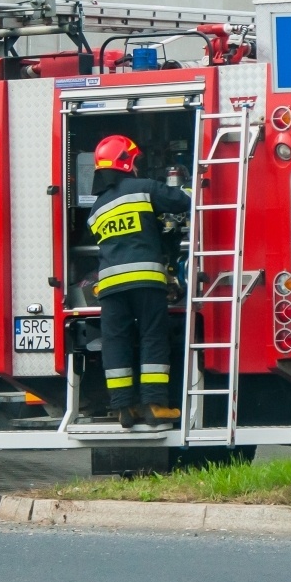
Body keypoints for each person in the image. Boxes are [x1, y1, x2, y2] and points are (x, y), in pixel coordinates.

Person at [88, 134, 191, 431]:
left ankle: (124, 407)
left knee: (116, 341)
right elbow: (181, 201)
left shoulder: (97, 210)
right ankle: (155, 405)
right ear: (127, 163)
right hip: (145, 281)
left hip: (109, 287)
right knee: (152, 337)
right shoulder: (143, 188)